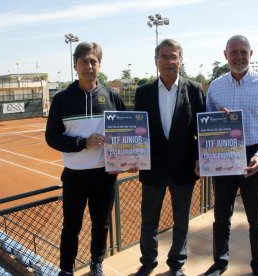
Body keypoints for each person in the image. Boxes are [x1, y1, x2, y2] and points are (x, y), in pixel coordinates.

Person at [201, 35, 258, 276]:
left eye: (243, 52)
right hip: (224, 153)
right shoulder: (216, 86)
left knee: (256, 219)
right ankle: (220, 262)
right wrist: (218, 120)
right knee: (221, 215)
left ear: (251, 54)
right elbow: (206, 126)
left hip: (253, 156)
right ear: (225, 55)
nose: (238, 56)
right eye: (234, 52)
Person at [45, 42, 126, 276]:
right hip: (74, 176)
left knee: (101, 225)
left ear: (99, 65)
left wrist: (127, 160)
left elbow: (126, 131)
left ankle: (96, 263)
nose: (89, 66)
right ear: (75, 65)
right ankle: (66, 269)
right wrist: (82, 143)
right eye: (84, 61)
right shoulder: (62, 99)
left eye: (93, 61)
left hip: (105, 174)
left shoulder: (112, 96)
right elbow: (51, 137)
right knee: (71, 226)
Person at [134, 38, 205, 276]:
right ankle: (148, 262)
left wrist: (199, 158)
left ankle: (176, 264)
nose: (169, 61)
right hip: (152, 168)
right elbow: (137, 131)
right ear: (156, 61)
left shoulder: (194, 90)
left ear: (181, 60)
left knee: (181, 221)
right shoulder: (143, 92)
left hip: (183, 169)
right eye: (164, 57)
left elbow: (200, 130)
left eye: (173, 56)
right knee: (149, 222)